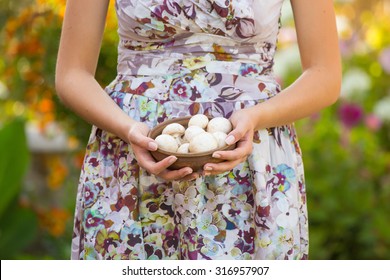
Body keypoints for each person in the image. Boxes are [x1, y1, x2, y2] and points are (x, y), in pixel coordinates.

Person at [55, 0, 341, 260]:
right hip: (132, 160)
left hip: (250, 161)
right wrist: (128, 128)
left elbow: (324, 75)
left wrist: (256, 117)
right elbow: (72, 74)